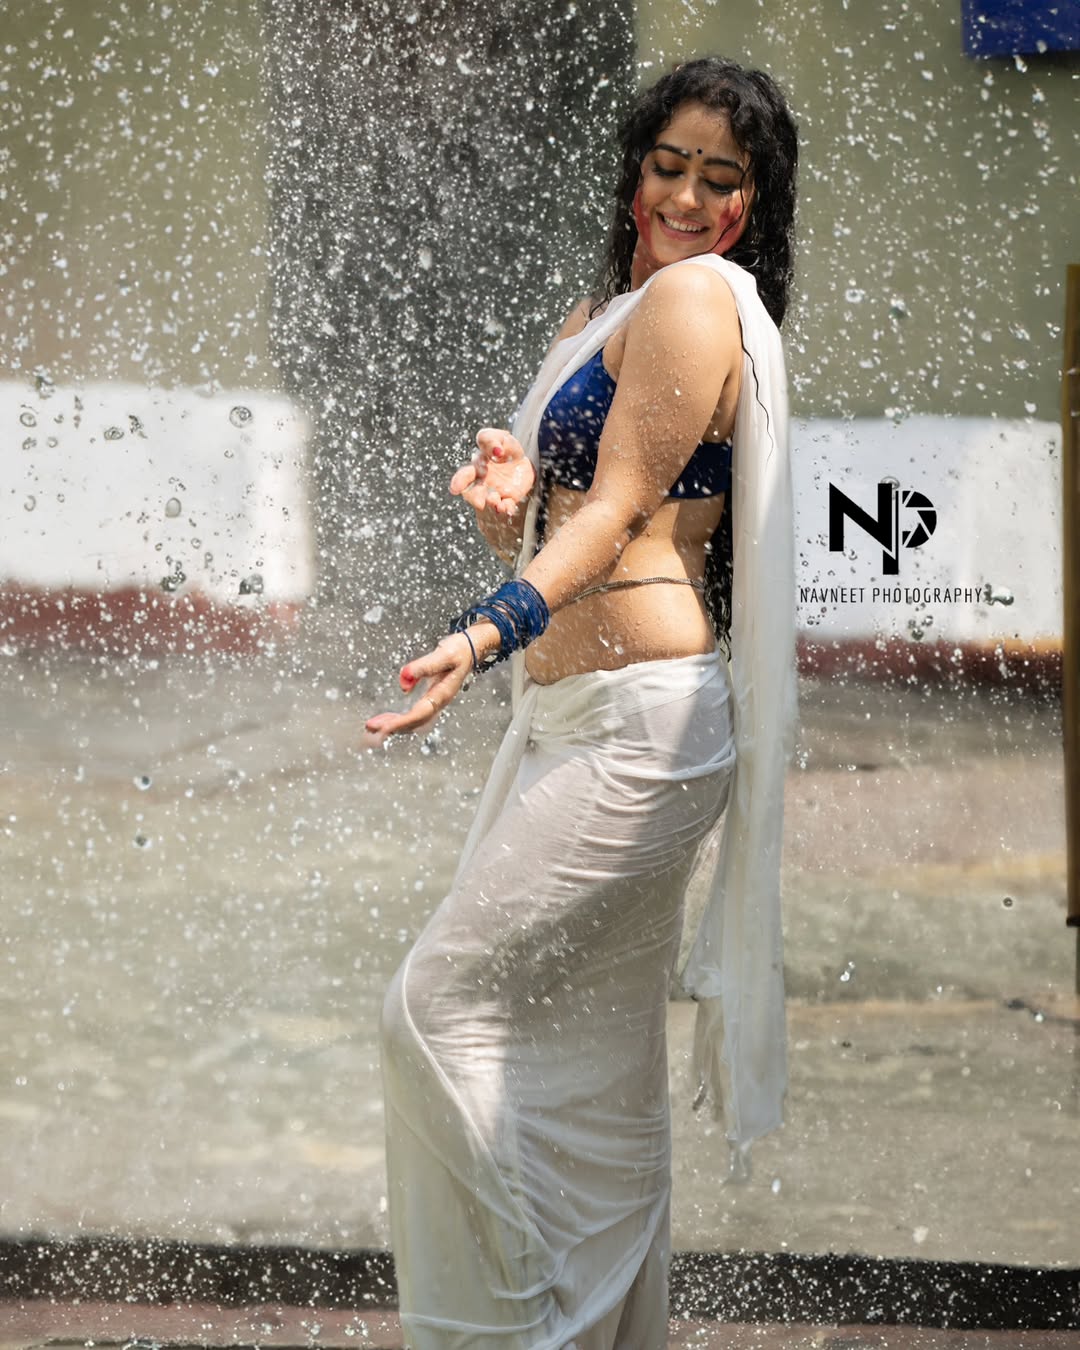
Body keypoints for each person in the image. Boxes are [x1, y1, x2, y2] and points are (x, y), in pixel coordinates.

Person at [368, 56, 799, 1348]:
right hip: (573, 719)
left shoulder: (696, 302)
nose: (687, 197)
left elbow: (617, 514)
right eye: (669, 165)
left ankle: (511, 1330)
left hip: (643, 731)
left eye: (721, 179)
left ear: (752, 204)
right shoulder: (600, 313)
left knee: (432, 1008)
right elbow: (562, 523)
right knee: (595, 1084)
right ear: (633, 172)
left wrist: (482, 630)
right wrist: (508, 514)